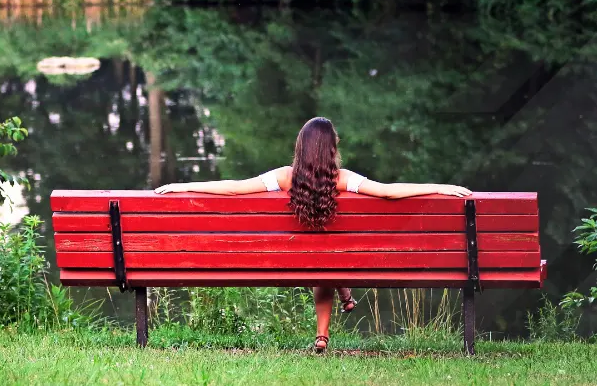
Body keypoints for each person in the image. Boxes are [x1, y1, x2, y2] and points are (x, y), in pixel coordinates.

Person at [154, 117, 471, 353]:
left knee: (319, 258)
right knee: (327, 260)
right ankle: (328, 321)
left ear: (300, 147)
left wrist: (184, 185)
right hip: (334, 259)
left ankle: (330, 317)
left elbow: (235, 188)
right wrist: (439, 187)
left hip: (292, 258)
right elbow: (388, 192)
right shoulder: (343, 179)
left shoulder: (284, 177)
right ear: (332, 148)